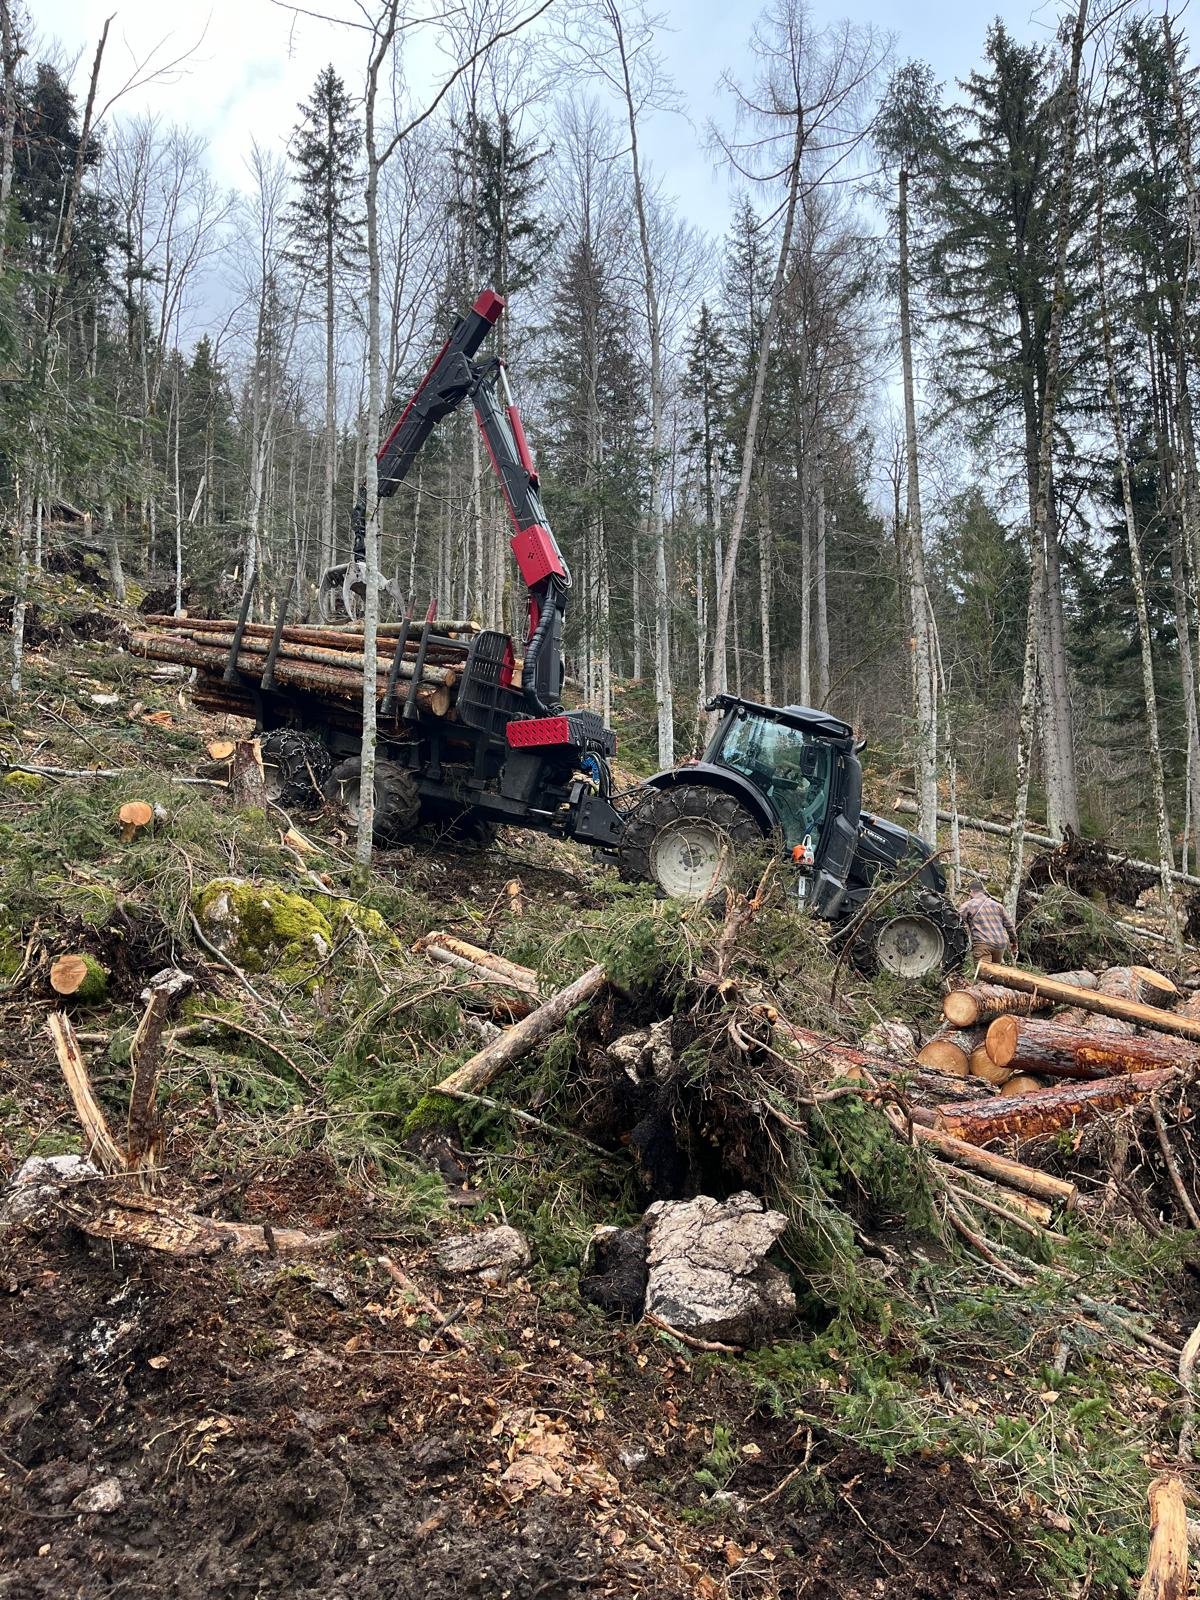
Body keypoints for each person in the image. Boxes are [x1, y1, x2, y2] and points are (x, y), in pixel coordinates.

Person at [958, 876, 1018, 968]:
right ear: (983, 891)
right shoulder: (998, 906)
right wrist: (1014, 942)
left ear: (971, 892)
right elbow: (1010, 926)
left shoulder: (968, 906)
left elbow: (956, 921)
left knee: (983, 976)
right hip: (1000, 945)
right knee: (993, 976)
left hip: (983, 944)